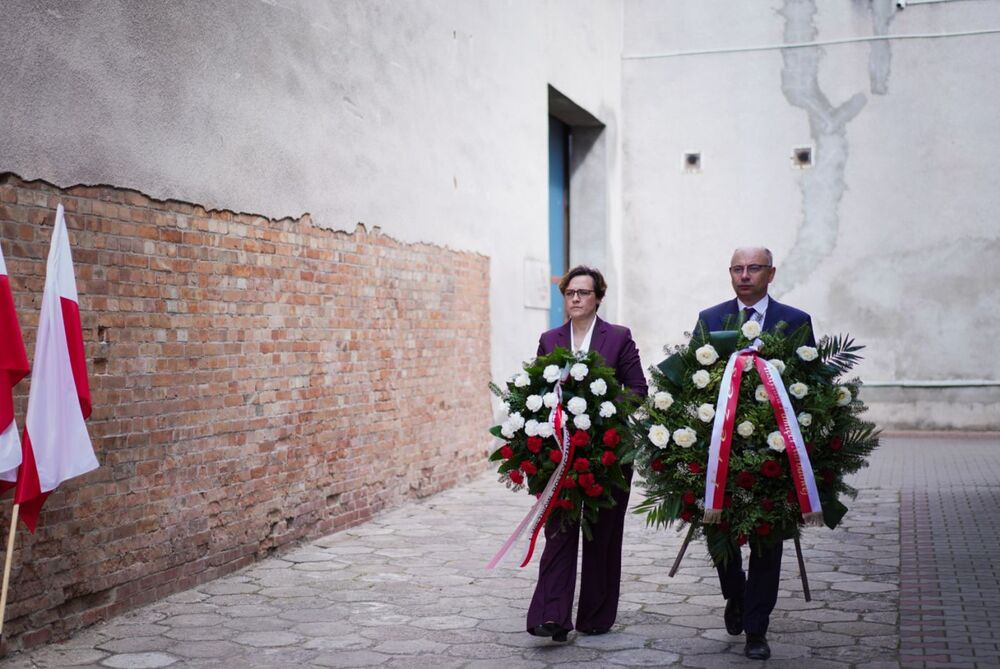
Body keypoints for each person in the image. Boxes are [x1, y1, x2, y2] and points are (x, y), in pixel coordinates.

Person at [693, 246, 815, 661]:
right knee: (718, 529)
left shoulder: (795, 322)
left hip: (774, 453)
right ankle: (736, 593)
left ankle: (757, 628)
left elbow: (811, 385)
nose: (744, 275)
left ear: (771, 273)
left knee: (767, 541)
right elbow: (691, 383)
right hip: (719, 452)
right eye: (737, 269)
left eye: (754, 268)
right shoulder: (710, 320)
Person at [526, 265, 647, 642]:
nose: (576, 298)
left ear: (598, 297)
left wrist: (599, 411)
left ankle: (595, 616)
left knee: (602, 535)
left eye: (583, 292)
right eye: (570, 293)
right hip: (560, 453)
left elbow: (638, 390)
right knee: (559, 532)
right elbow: (536, 391)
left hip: (607, 453)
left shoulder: (618, 337)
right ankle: (552, 615)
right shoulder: (550, 339)